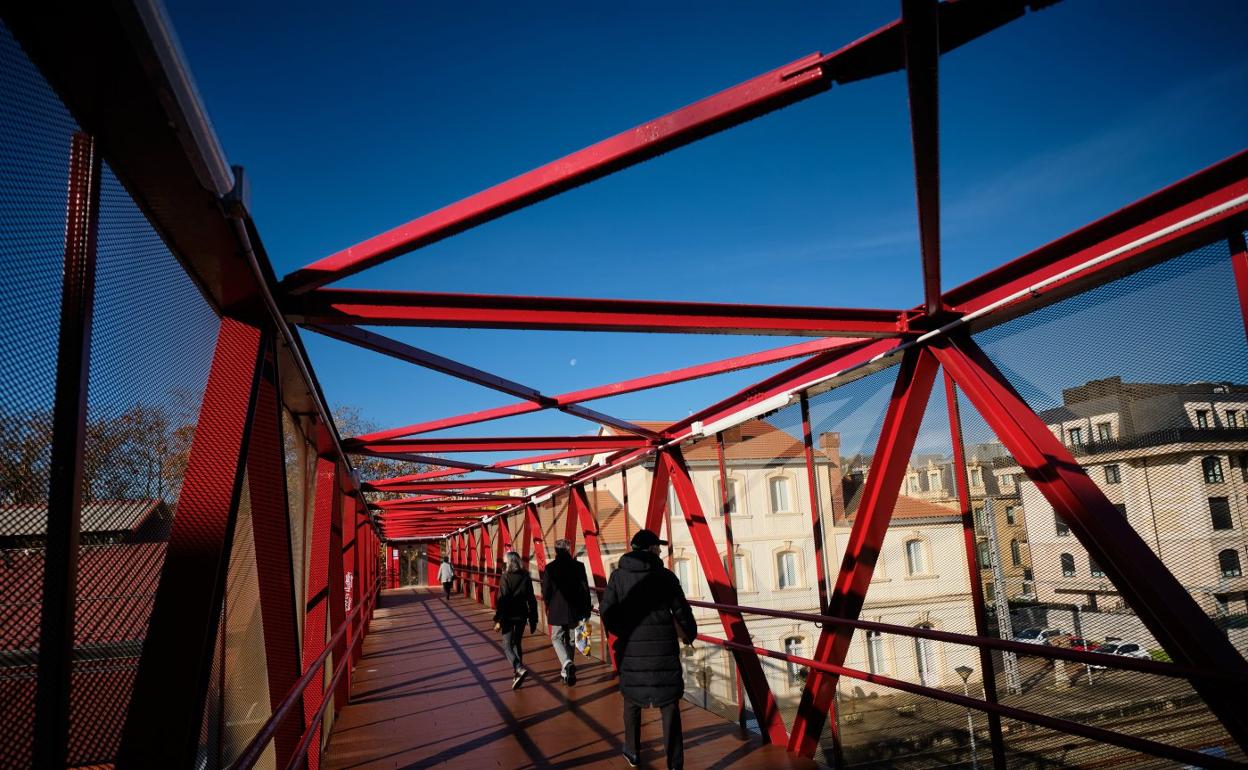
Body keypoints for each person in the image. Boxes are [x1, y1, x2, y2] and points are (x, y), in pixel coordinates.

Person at [600, 529, 696, 770]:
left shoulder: (617, 577)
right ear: (651, 549)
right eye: (658, 546)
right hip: (663, 646)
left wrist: (623, 630)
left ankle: (632, 752)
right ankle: (674, 763)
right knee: (669, 705)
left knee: (632, 700)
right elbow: (681, 610)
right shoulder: (665, 576)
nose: (661, 550)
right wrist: (689, 634)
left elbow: (607, 612)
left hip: (631, 647)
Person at [541, 539, 592, 685]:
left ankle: (567, 663)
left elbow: (546, 591)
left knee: (556, 638)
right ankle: (567, 673)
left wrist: (548, 604)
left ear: (556, 551)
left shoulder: (550, 568)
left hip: (557, 609)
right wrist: (587, 608)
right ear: (569, 550)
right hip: (575, 610)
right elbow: (585, 589)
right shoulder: (579, 566)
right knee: (570, 640)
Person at [493, 551, 538, 689]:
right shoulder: (525, 576)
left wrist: (498, 619)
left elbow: (503, 600)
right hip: (521, 614)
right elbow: (531, 598)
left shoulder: (505, 577)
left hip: (508, 615)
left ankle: (518, 668)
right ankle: (517, 674)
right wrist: (533, 617)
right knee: (517, 642)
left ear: (509, 562)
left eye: (505, 561)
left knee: (506, 645)